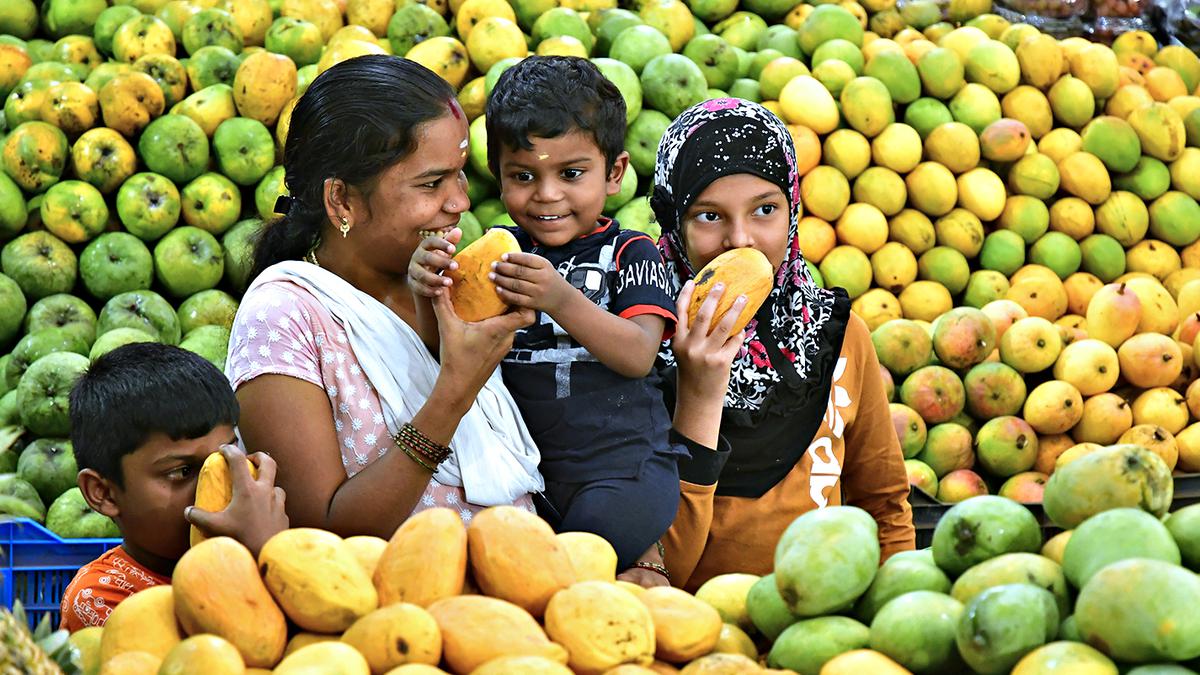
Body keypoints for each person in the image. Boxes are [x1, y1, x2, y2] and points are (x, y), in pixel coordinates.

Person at [227, 55, 544, 539]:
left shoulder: (445, 280)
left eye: (459, 174)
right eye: (431, 183)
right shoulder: (283, 316)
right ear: (342, 201)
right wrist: (454, 392)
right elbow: (321, 536)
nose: (460, 201)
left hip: (517, 597)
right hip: (391, 610)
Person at [409, 56, 683, 574]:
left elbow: (638, 354)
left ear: (616, 173)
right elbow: (446, 350)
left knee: (564, 570)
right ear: (499, 176)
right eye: (524, 176)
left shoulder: (633, 252)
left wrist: (561, 299)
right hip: (528, 476)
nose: (547, 194)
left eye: (572, 173)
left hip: (623, 474)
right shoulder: (498, 254)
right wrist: (426, 287)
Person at [649, 98, 915, 591]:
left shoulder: (837, 336)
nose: (741, 240)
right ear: (673, 223)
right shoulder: (640, 345)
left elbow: (883, 504)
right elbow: (661, 567)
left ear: (793, 210)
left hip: (820, 631)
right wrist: (700, 394)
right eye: (709, 216)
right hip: (695, 638)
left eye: (766, 210)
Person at [60, 343, 288, 632]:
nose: (214, 479)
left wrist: (278, 553)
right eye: (183, 471)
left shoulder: (263, 539)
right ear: (102, 492)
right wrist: (262, 554)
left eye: (226, 457)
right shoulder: (100, 598)